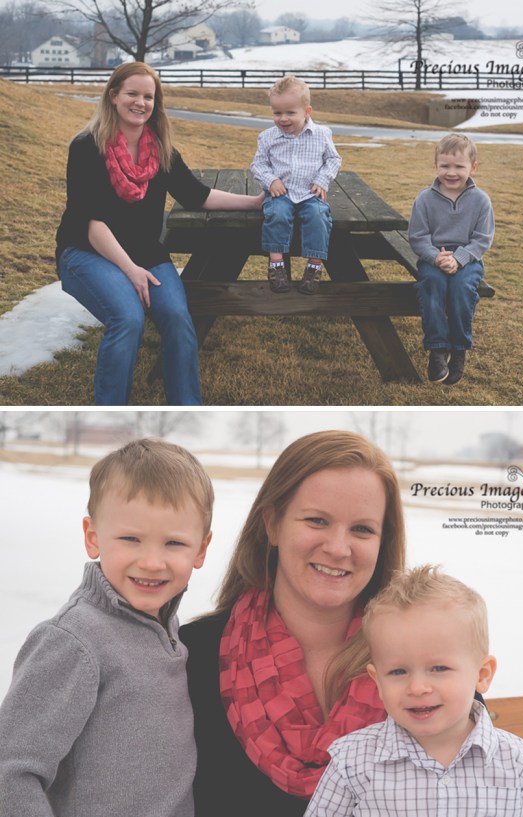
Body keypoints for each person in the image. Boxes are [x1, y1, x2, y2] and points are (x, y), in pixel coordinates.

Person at [179, 430, 405, 817]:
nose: (337, 548)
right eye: (317, 520)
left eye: (362, 529)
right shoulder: (192, 656)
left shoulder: (424, 658)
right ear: (272, 524)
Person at [0, 438, 214, 817]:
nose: (151, 562)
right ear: (93, 537)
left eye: (174, 543)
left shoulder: (165, 627)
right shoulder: (74, 642)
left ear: (200, 550)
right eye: (130, 539)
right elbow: (11, 773)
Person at [56, 62, 263, 406]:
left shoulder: (160, 148)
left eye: (148, 96)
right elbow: (92, 222)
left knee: (178, 318)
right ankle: (111, 410)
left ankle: (187, 407)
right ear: (113, 96)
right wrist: (129, 270)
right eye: (132, 94)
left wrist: (255, 203)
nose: (141, 103)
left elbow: (199, 196)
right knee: (128, 318)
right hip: (87, 251)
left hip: (145, 251)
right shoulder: (87, 146)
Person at [305, 564, 523, 817]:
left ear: (482, 674)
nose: (418, 688)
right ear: (378, 682)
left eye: (439, 668)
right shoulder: (352, 762)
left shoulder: (520, 763)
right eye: (398, 672)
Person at [408, 134, 495, 385]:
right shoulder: (424, 199)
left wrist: (459, 259)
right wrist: (436, 257)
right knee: (432, 285)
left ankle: (458, 348)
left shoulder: (481, 201)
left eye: (459, 166)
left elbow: (482, 239)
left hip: (468, 259)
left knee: (461, 289)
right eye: (445, 165)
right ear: (436, 166)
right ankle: (437, 348)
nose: (452, 172)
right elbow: (418, 237)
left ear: (473, 167)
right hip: (434, 256)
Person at [250, 75, 342, 294]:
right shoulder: (268, 137)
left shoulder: (321, 134)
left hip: (310, 194)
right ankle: (276, 265)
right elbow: (258, 164)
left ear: (306, 112)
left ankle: (314, 267)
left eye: (290, 113)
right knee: (278, 215)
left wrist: (322, 180)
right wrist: (271, 180)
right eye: (277, 113)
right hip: (281, 194)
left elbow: (333, 159)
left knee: (319, 217)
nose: (283, 119)